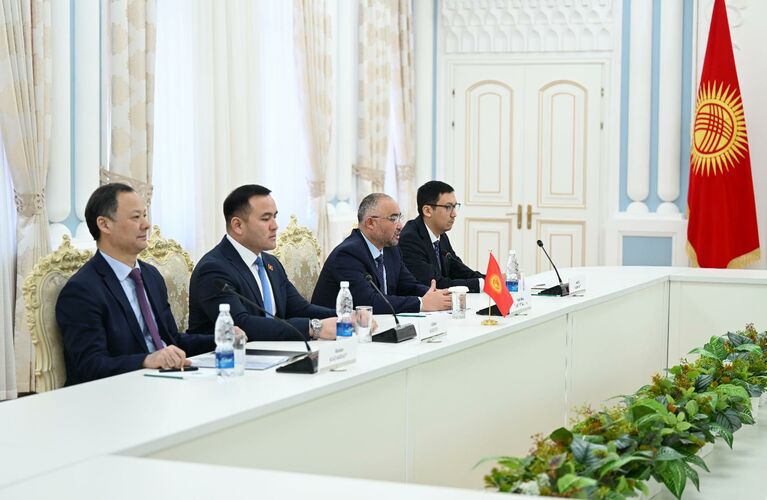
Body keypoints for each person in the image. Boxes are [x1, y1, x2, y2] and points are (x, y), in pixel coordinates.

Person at [56, 183, 215, 385]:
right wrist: (146, 360)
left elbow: (171, 339)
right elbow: (90, 365)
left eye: (145, 215)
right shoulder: (82, 290)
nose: (146, 225)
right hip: (120, 391)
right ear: (104, 224)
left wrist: (220, 339)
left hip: (167, 381)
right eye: (135, 217)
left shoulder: (151, 275)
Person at [187, 184, 336, 341]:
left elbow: (300, 309)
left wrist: (345, 316)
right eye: (265, 219)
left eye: (275, 217)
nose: (275, 226)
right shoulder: (213, 270)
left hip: (273, 351)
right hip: (227, 355)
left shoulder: (271, 263)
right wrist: (313, 328)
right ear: (238, 225)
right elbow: (242, 325)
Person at [312, 193, 452, 314]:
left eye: (399, 218)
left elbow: (408, 285)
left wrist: (438, 295)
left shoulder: (391, 249)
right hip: (337, 330)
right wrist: (421, 303)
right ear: (370, 223)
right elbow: (368, 302)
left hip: (378, 325)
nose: (400, 226)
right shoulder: (347, 255)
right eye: (393, 219)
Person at [399, 181, 484, 292]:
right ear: (427, 211)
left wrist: (489, 280)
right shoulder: (410, 239)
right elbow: (435, 284)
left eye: (455, 206)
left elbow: (457, 269)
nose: (454, 214)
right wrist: (480, 284)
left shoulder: (441, 235)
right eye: (448, 207)